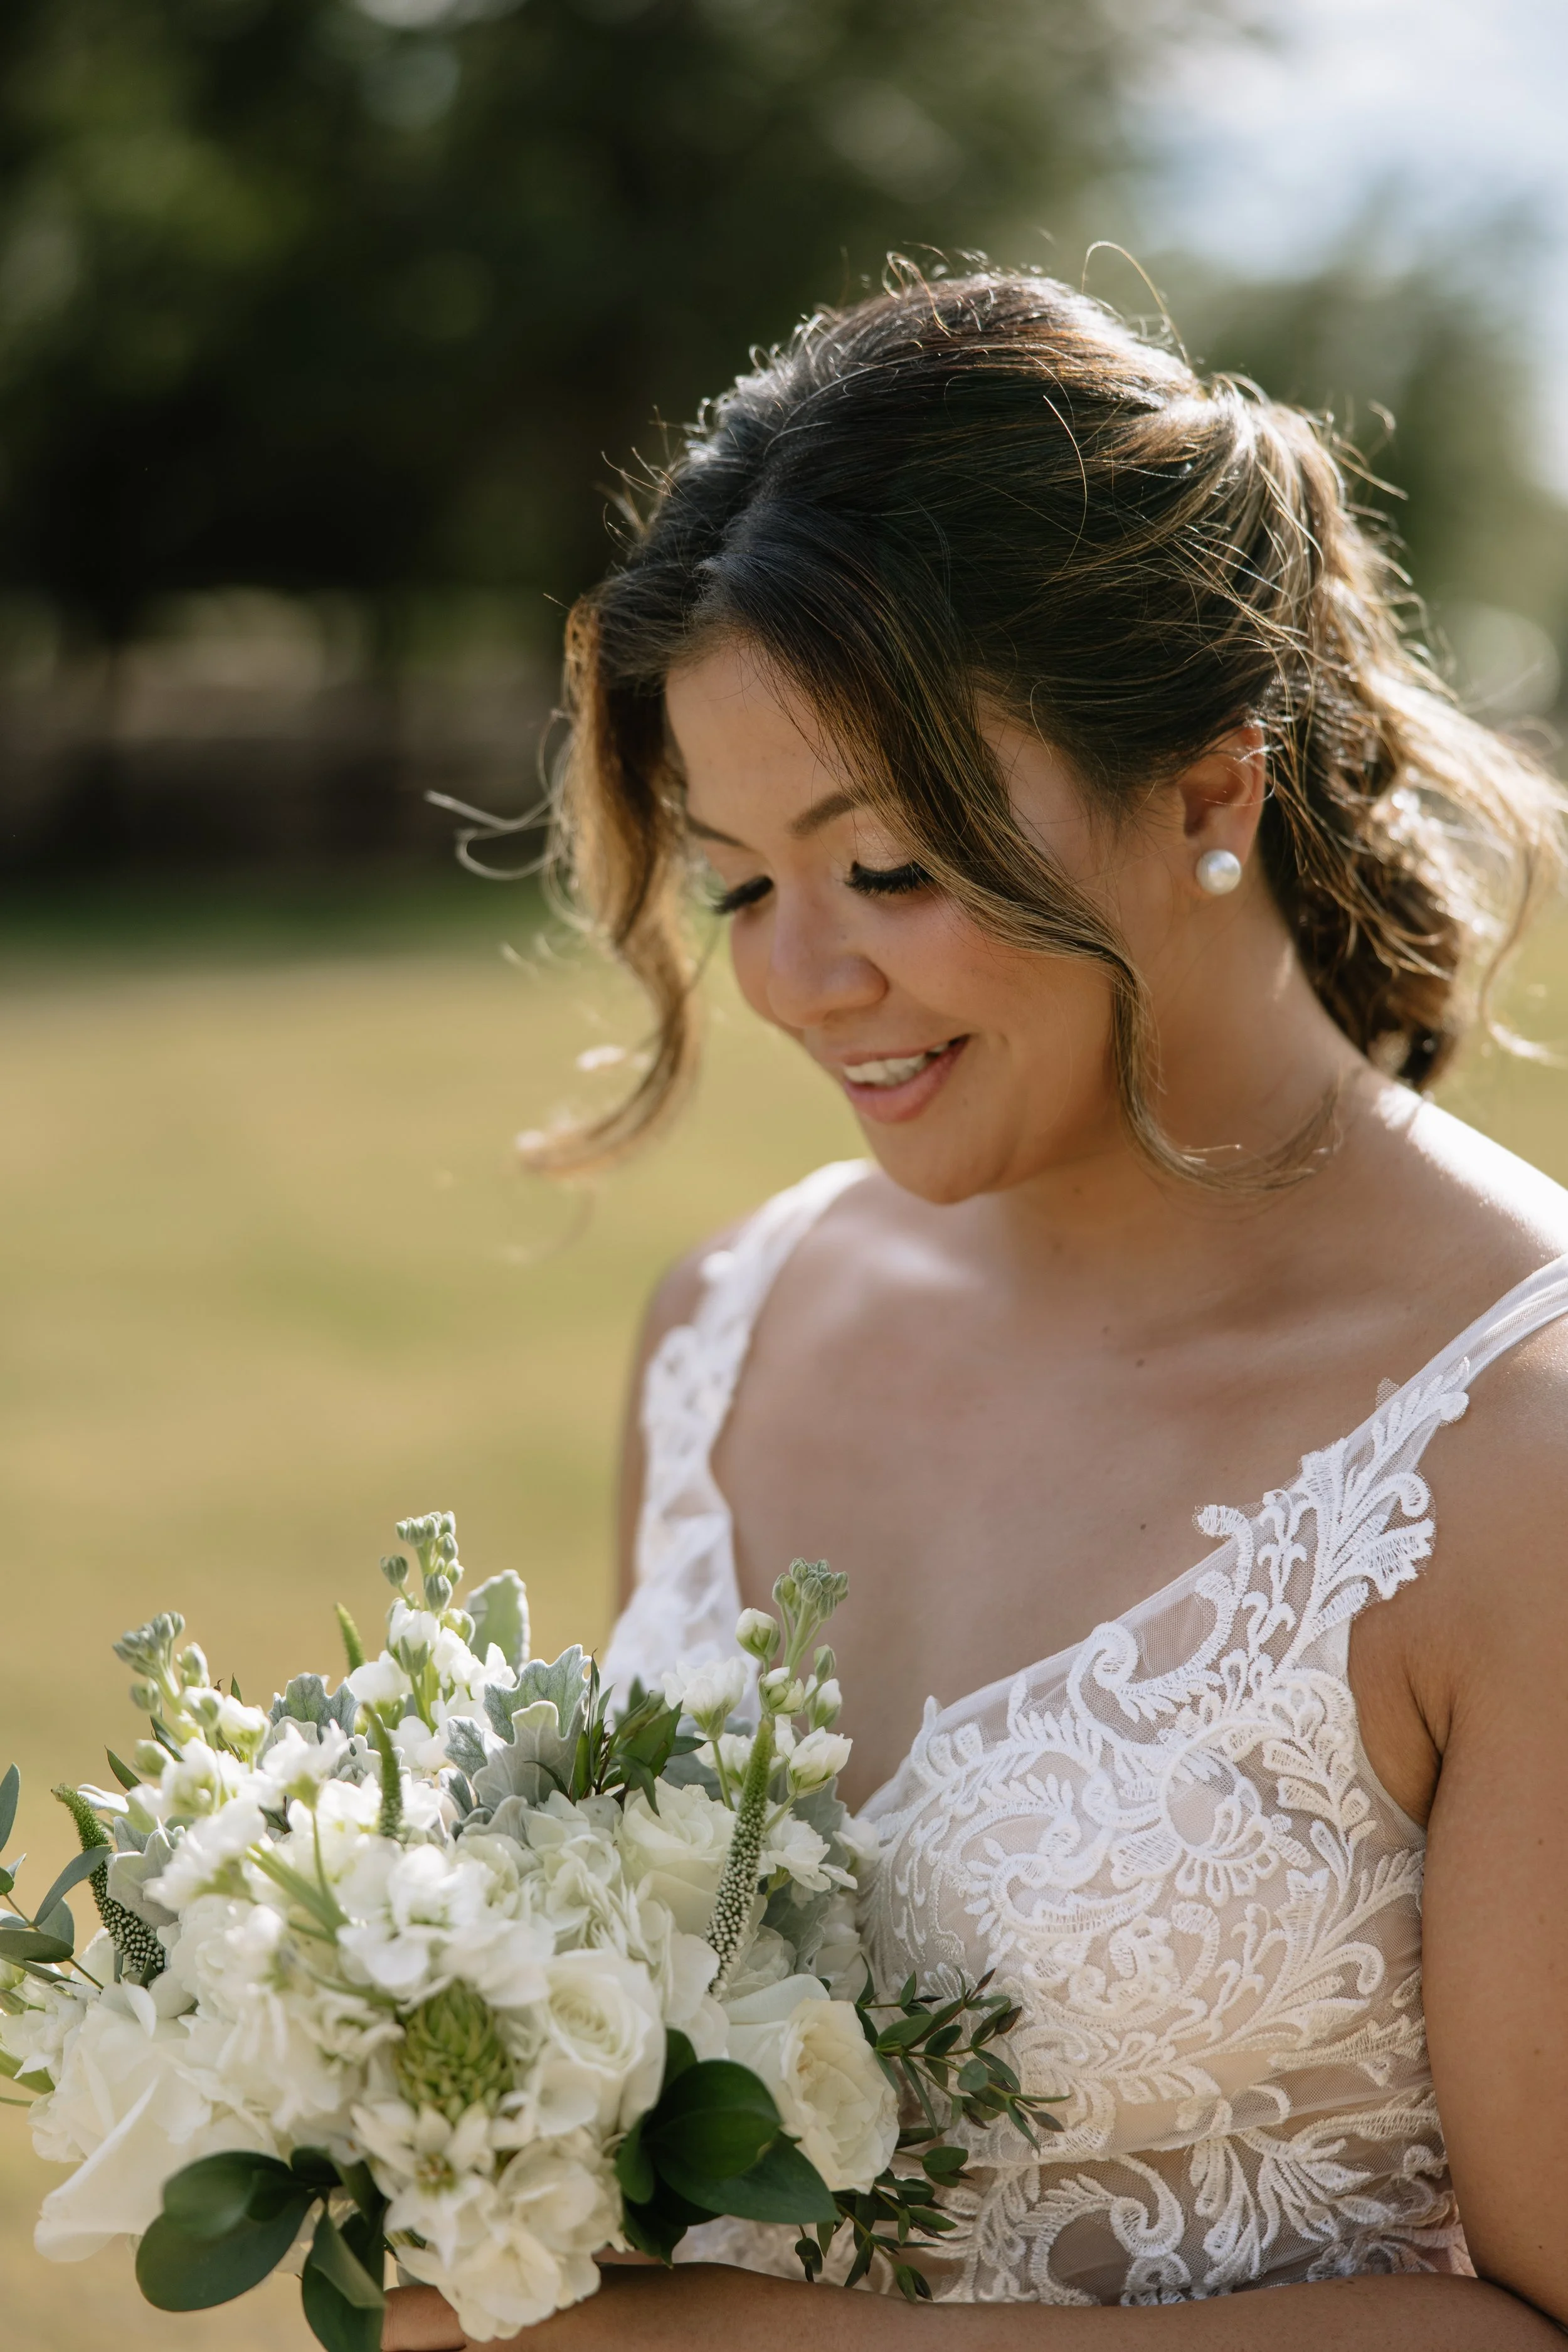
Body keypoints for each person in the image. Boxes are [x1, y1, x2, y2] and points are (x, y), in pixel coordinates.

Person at [386, 268, 1568, 2348]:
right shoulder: (724, 1332)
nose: (796, 980)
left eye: (894, 867)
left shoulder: (1520, 1448)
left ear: (1210, 791)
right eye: (744, 883)